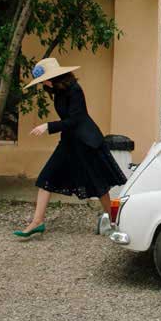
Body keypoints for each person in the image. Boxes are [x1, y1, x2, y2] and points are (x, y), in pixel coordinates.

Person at [15, 58, 127, 238]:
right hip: (68, 142)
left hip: (85, 143)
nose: (42, 83)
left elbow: (76, 120)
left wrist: (48, 126)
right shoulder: (56, 90)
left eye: (43, 79)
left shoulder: (74, 89)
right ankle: (37, 222)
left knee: (99, 185)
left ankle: (115, 220)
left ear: (52, 77)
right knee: (46, 178)